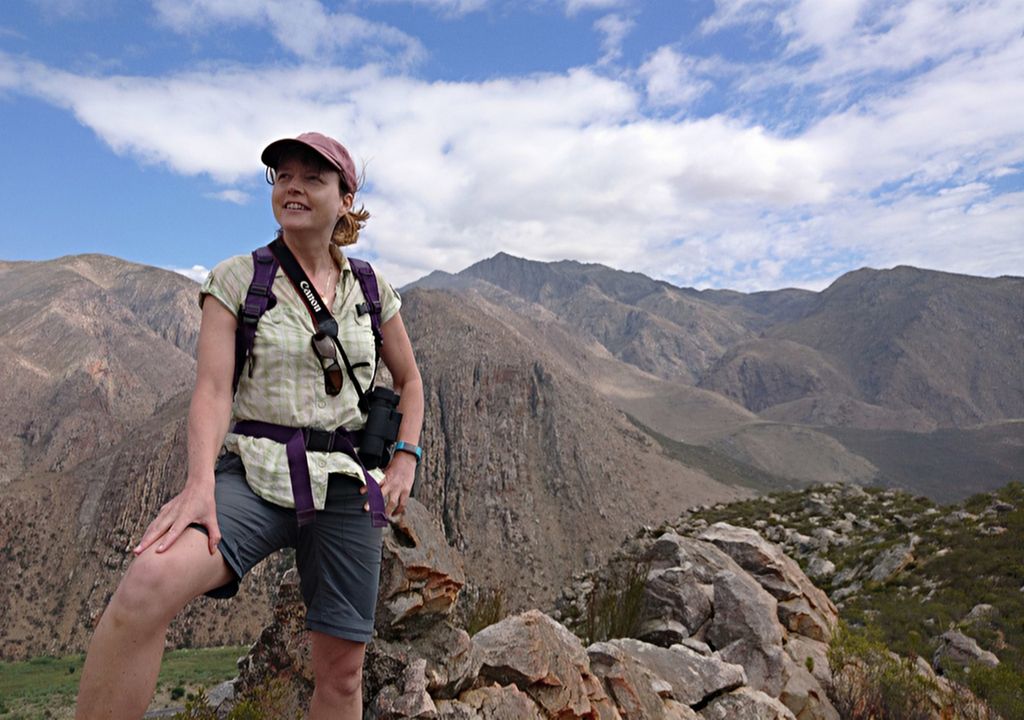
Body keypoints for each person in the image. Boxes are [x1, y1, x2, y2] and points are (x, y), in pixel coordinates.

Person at [75, 132, 424, 720]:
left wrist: (405, 456)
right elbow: (212, 390)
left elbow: (411, 381)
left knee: (341, 674)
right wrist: (199, 485)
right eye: (283, 175)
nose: (293, 186)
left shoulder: (371, 288)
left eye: (313, 178)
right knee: (147, 584)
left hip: (343, 482)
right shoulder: (239, 280)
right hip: (258, 470)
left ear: (345, 199)